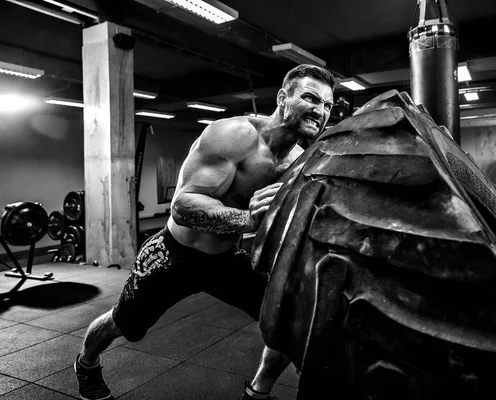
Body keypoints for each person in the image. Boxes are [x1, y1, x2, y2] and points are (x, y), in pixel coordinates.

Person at [73, 63, 335, 400]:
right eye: (311, 98)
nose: (320, 110)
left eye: (328, 105)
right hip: (174, 254)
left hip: (226, 260)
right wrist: (247, 220)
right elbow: (182, 207)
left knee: (288, 320)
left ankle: (258, 392)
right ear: (283, 97)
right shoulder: (235, 136)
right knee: (122, 324)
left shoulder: (299, 162)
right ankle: (87, 363)